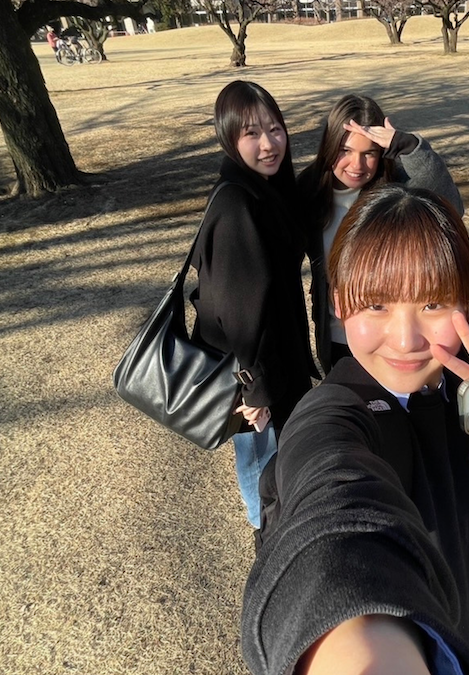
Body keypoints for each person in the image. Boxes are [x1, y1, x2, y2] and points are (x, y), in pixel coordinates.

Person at [242, 185, 469, 675]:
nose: (406, 340)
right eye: (377, 305)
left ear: (467, 304)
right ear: (340, 305)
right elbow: (330, 500)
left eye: (432, 305)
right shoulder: (337, 413)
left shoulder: (468, 396)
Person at [189, 81, 314, 528]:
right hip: (255, 376)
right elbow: (237, 310)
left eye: (275, 129)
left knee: (280, 463)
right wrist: (255, 391)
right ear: (228, 138)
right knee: (262, 465)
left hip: (278, 363)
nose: (268, 144)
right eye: (251, 134)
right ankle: (266, 537)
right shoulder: (237, 204)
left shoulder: (268, 190)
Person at [297, 94, 464, 374]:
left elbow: (452, 208)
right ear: (328, 147)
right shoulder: (309, 189)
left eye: (369, 153)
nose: (356, 165)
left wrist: (409, 147)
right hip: (337, 336)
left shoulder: (395, 185)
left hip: (390, 340)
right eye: (345, 150)